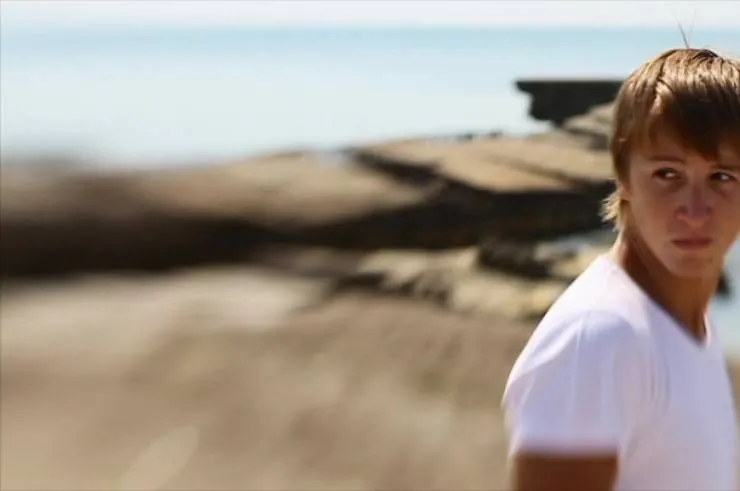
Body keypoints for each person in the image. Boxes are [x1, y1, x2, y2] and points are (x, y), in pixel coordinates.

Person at [502, 47, 740, 491]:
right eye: (667, 174)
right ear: (624, 176)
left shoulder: (687, 324)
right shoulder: (601, 339)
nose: (695, 211)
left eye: (722, 177)